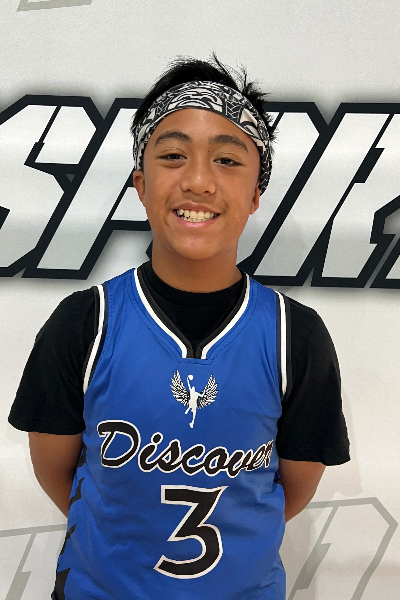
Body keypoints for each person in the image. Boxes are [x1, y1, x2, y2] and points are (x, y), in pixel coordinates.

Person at [8, 55, 350, 600]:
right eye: (173, 155)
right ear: (141, 184)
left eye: (227, 160)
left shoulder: (295, 335)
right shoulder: (84, 323)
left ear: (255, 194)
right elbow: (59, 474)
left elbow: (292, 488)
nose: (198, 181)